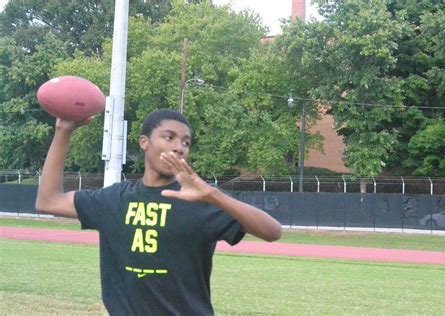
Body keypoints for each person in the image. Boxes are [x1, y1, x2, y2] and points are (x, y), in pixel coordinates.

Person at [36, 108, 282, 315]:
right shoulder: (114, 199)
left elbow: (273, 232)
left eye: (186, 142)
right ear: (144, 142)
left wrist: (213, 195)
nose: (179, 147)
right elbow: (48, 201)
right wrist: (63, 131)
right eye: (169, 137)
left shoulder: (202, 199)